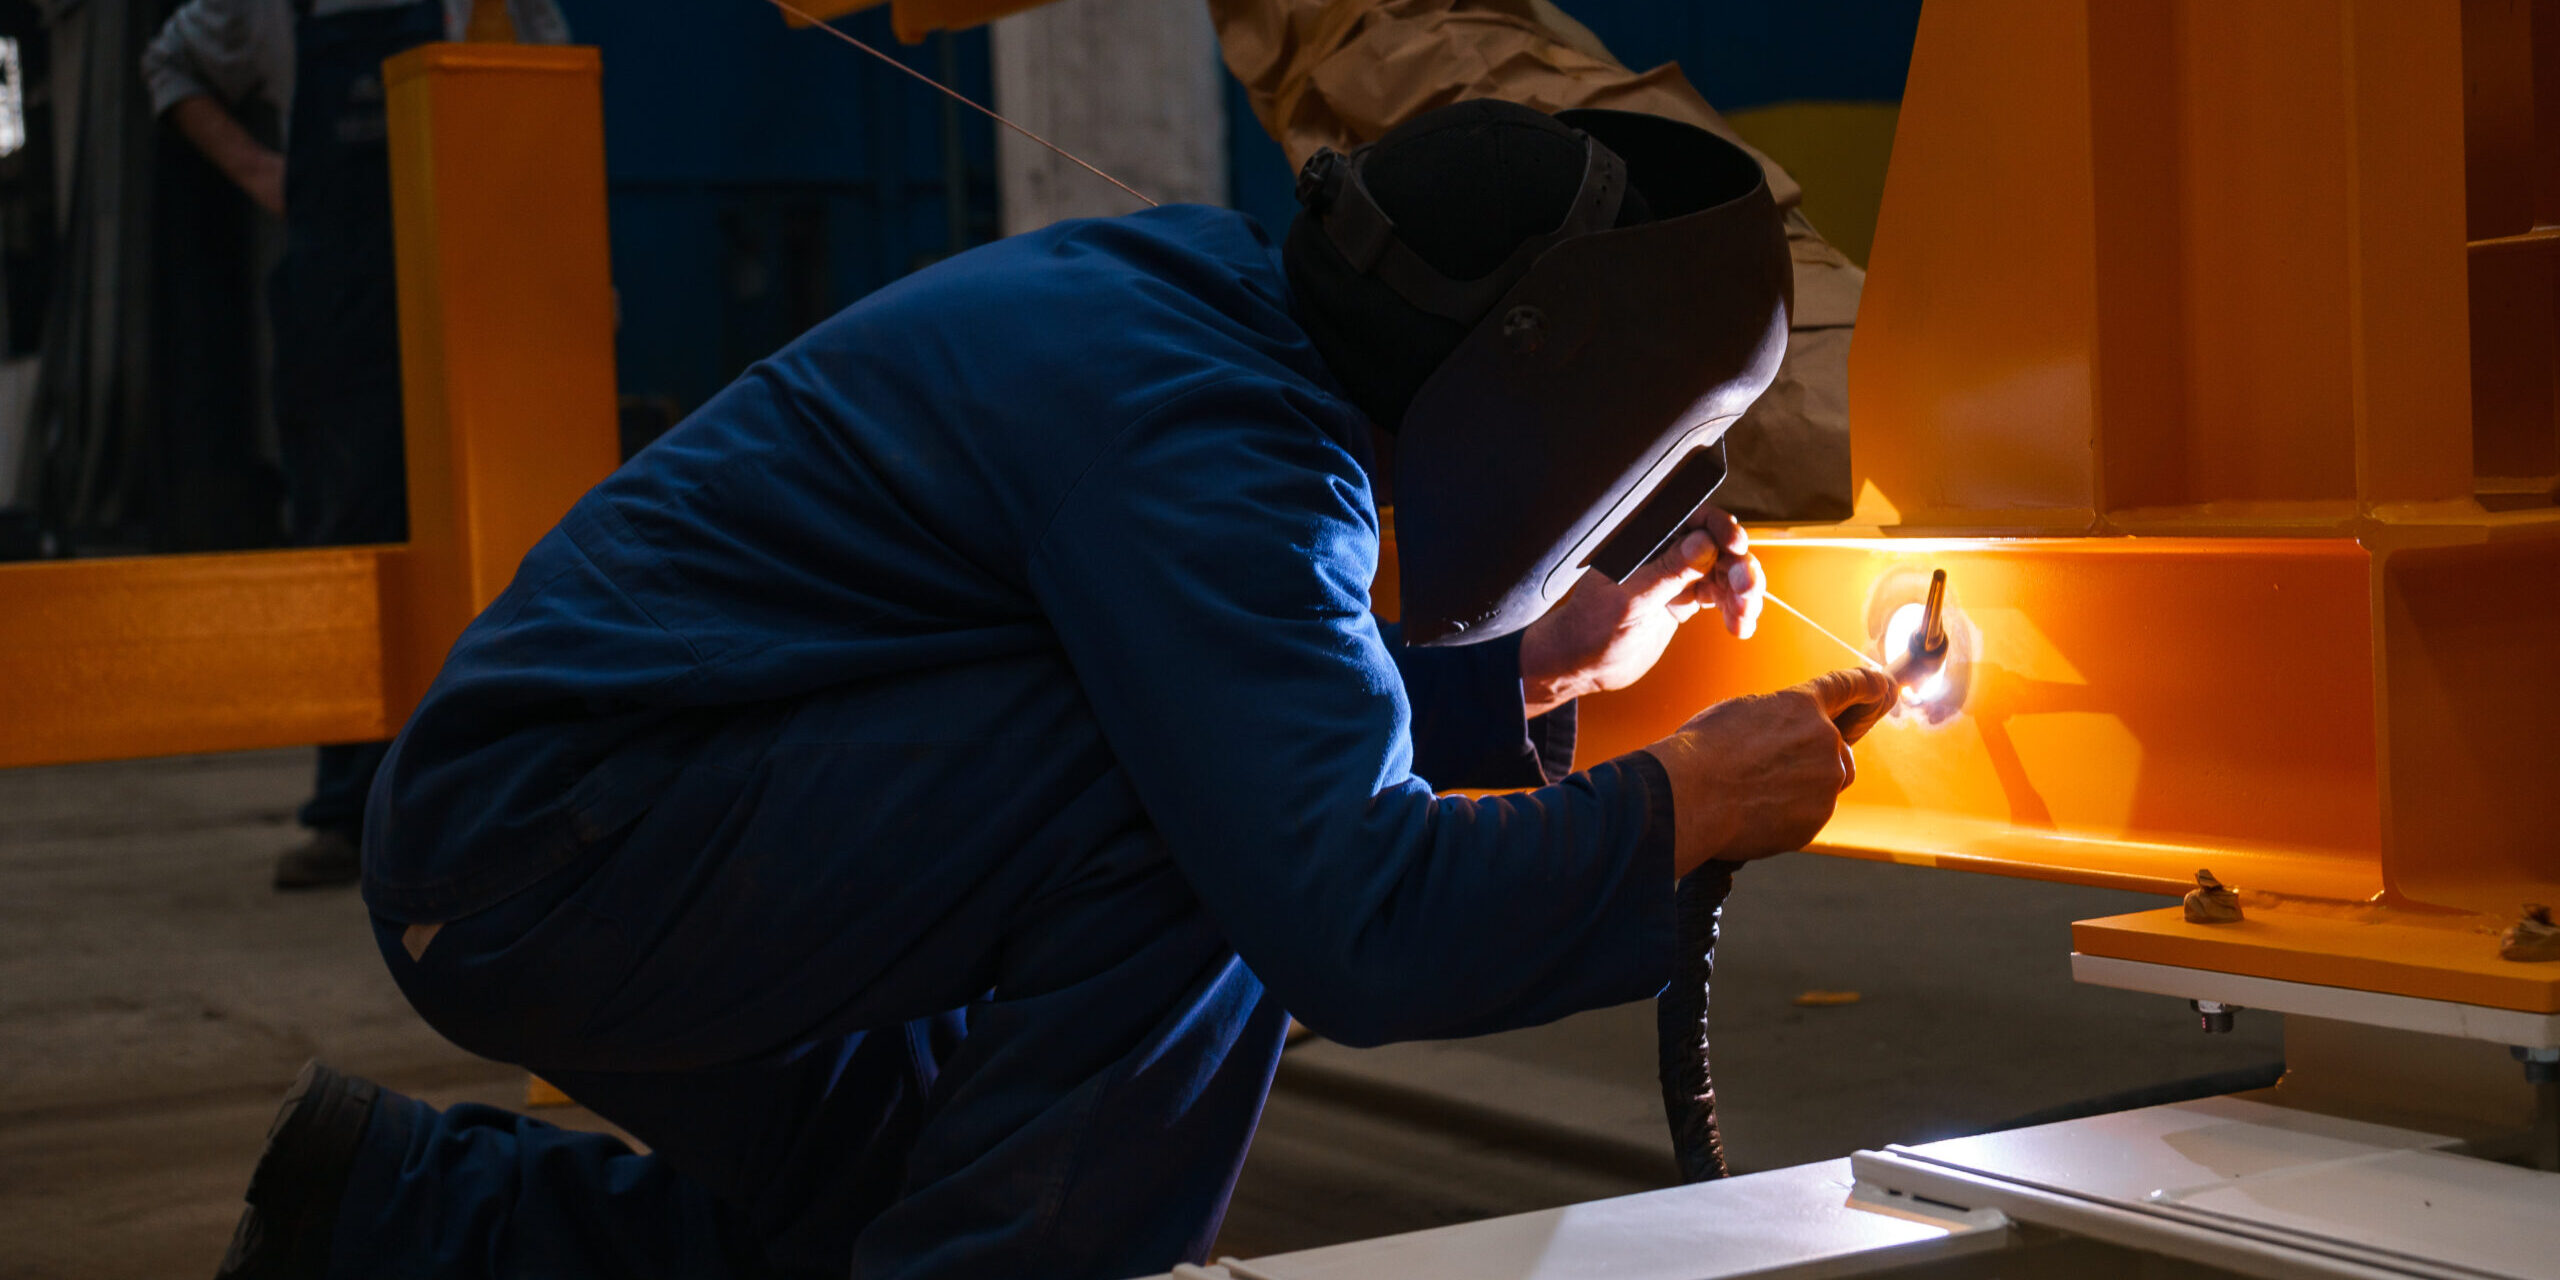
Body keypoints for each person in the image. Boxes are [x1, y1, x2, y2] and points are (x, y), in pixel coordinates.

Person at [216, 100, 1896, 1280]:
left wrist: (1523, 670)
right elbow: (1356, 912)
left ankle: (388, 1215)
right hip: (554, 851)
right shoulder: (1226, 453)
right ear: (1543, 386)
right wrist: (1683, 804)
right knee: (1195, 839)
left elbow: (1208, 664)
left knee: (906, 1193)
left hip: (552, 835)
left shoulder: (1191, 314)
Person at [142, 0, 570, 890]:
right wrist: (263, 170)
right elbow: (170, 66)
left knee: (512, 531)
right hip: (345, 314)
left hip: (481, 281)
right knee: (352, 534)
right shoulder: (264, 7)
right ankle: (351, 810)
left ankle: (517, 793)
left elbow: (551, 93)